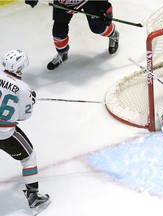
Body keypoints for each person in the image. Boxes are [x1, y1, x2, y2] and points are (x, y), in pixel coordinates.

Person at [0, 49, 50, 215]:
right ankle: (34, 197)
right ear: (20, 68)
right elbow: (24, 116)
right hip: (4, 134)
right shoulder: (23, 88)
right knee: (29, 158)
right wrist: (30, 100)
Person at [25, 0, 120, 70]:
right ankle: (62, 53)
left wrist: (106, 7)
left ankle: (114, 35)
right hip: (63, 2)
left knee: (98, 27)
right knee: (58, 32)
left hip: (86, 1)